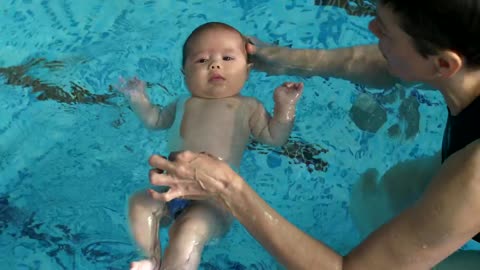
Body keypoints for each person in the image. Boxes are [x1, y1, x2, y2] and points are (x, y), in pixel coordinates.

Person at [146, 0, 480, 269]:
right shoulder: (466, 55)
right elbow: (382, 63)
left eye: (386, 33)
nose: (371, 29)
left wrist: (228, 188)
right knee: (379, 198)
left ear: (444, 66)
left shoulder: (474, 174)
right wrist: (286, 60)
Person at [118, 22, 303, 270]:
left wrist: (285, 107)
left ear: (247, 71)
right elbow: (154, 120)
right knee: (139, 203)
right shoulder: (182, 103)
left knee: (188, 231)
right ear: (184, 72)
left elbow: (274, 137)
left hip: (215, 198)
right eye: (202, 60)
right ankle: (150, 258)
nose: (215, 65)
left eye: (227, 58)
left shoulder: (248, 106)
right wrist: (138, 98)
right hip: (171, 188)